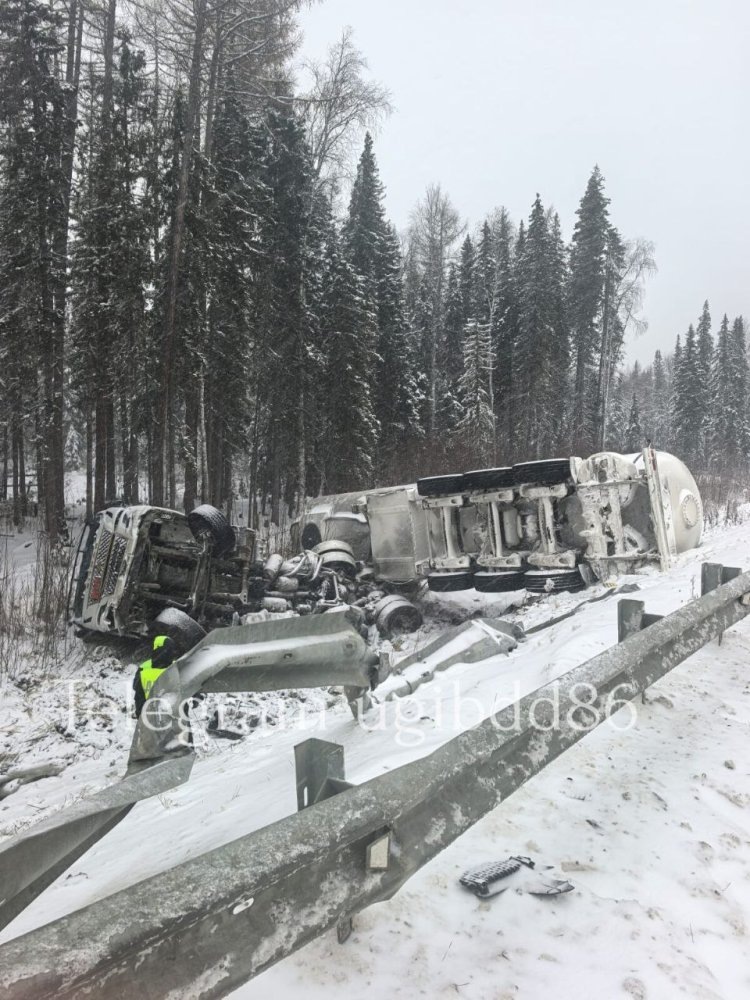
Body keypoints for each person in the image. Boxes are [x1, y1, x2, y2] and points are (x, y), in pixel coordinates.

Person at [133, 634, 178, 718]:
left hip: (171, 717)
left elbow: (137, 692)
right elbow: (138, 694)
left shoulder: (143, 668)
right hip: (155, 718)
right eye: (169, 650)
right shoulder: (177, 667)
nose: (172, 652)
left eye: (172, 650)